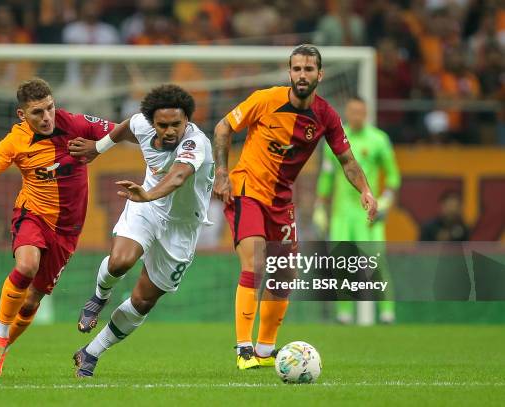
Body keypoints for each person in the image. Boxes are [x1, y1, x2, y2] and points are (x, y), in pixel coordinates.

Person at [212, 44, 377, 370]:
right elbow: (223, 127)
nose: (302, 75)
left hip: (281, 200)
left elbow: (347, 160)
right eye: (297, 69)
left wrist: (366, 190)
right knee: (256, 261)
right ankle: (244, 347)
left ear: (319, 74)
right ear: (290, 73)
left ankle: (264, 349)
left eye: (309, 69)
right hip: (247, 189)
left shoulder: (326, 115)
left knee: (284, 275)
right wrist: (221, 172)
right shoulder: (265, 99)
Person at [0, 78, 115, 377]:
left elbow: (125, 129)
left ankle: (0, 351)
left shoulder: (76, 124)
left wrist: (101, 146)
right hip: (31, 214)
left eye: (50, 108)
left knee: (33, 299)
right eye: (37, 112)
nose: (46, 117)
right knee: (28, 265)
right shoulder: (15, 141)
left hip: (68, 231)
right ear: (22, 115)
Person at [67, 84, 214, 377]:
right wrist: (98, 149)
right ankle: (98, 297)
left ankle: (91, 352)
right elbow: (125, 128)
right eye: (163, 125)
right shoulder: (141, 125)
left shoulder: (196, 143)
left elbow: (178, 177)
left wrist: (148, 194)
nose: (171, 130)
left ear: (187, 120)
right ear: (152, 123)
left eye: (177, 124)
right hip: (146, 206)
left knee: (143, 300)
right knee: (121, 260)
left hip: (181, 226)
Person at [314, 96, 401, 324]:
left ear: (367, 113)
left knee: (375, 262)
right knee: (342, 264)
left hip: (368, 213)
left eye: (361, 111)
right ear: (346, 113)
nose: (357, 116)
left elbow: (392, 175)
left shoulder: (379, 140)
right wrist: (320, 207)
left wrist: (386, 201)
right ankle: (344, 314)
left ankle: (387, 312)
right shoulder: (333, 140)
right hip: (342, 214)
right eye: (353, 111)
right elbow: (326, 176)